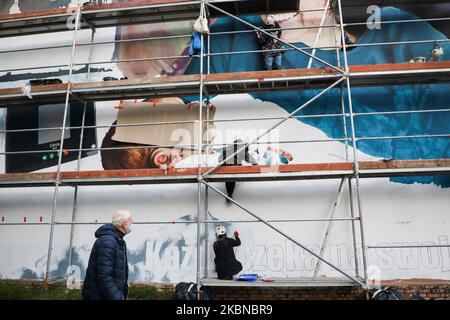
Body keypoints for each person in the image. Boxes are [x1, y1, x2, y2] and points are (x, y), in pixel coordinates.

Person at [82, 210, 133, 300]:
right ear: (124, 224)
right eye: (131, 222)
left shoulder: (117, 240)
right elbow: (104, 278)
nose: (132, 225)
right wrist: (117, 297)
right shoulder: (108, 242)